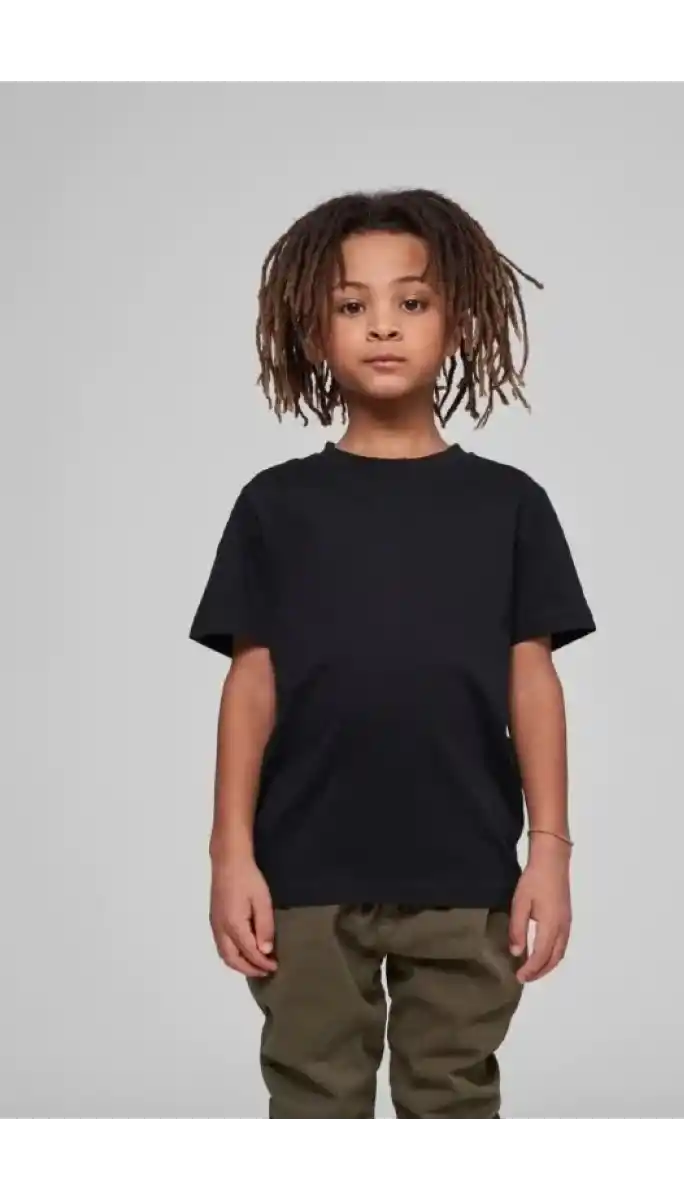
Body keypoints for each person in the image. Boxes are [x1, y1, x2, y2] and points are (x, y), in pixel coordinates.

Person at [188, 188, 597, 1120]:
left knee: (452, 1106)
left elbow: (533, 683)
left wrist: (551, 853)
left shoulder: (510, 505)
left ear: (458, 321)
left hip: (466, 871)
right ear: (313, 328)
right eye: (351, 304)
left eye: (411, 301)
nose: (382, 325)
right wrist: (229, 854)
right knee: (314, 1105)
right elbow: (250, 686)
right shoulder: (275, 507)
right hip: (301, 876)